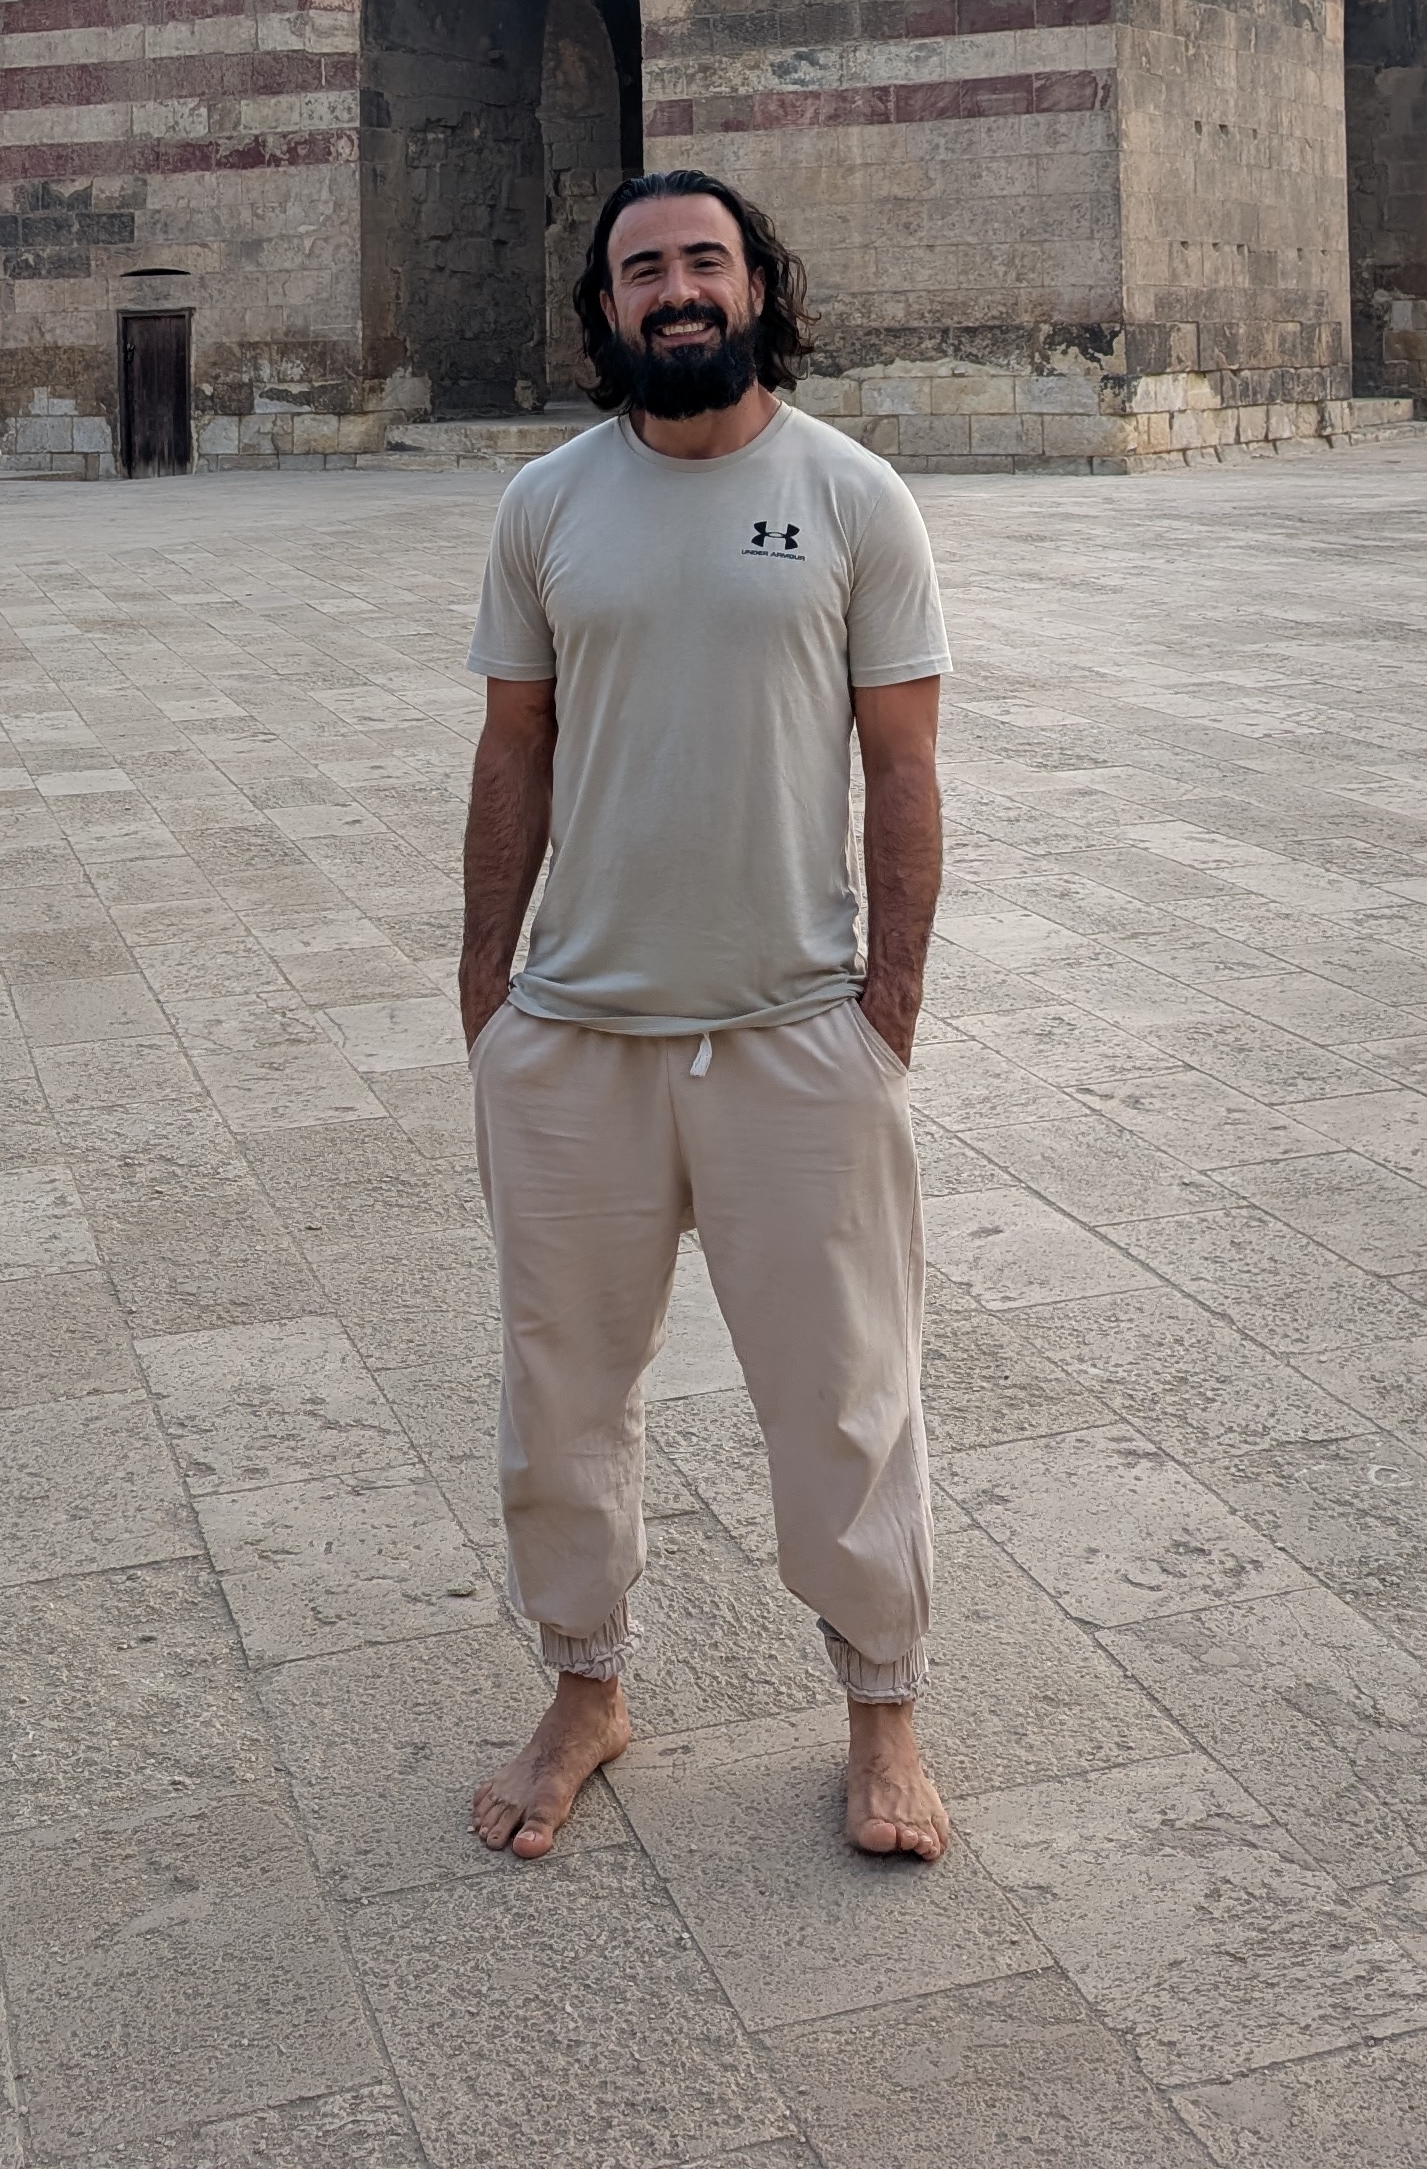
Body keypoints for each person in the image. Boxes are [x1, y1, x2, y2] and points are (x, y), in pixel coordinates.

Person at [459, 166, 951, 1863]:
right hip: (578, 1031)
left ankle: (881, 1711)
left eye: (704, 261)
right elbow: (514, 743)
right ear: (603, 309)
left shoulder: (852, 498)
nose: (677, 288)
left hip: (792, 1029)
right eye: (642, 268)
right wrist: (486, 996)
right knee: (563, 1384)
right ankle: (586, 1686)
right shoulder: (545, 505)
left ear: (757, 286)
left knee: (841, 1391)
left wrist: (886, 1005)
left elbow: (903, 764)